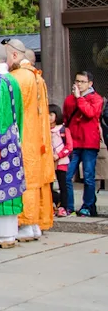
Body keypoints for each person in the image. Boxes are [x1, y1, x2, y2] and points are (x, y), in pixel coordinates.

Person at [5, 40, 55, 239]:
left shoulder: (17, 77)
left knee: (25, 178)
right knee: (36, 178)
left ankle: (25, 222)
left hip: (25, 136)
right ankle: (35, 223)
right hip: (38, 136)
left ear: (15, 56)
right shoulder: (36, 76)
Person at [0, 42, 24, 248]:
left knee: (1, 185)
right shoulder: (13, 81)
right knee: (12, 185)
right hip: (13, 140)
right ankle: (8, 233)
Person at [63, 70, 104, 217]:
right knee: (67, 176)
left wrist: (80, 99)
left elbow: (90, 113)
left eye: (82, 82)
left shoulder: (96, 98)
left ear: (90, 84)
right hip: (73, 142)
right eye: (77, 81)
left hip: (89, 143)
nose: (79, 84)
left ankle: (88, 206)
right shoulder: (69, 99)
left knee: (88, 176)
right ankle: (69, 206)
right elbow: (66, 118)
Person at [50, 104, 73, 217]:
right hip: (48, 162)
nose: (49, 117)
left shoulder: (63, 129)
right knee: (48, 186)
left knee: (62, 185)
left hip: (61, 161)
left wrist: (58, 155)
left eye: (51, 114)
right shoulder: (43, 130)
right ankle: (51, 205)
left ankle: (63, 206)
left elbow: (69, 146)